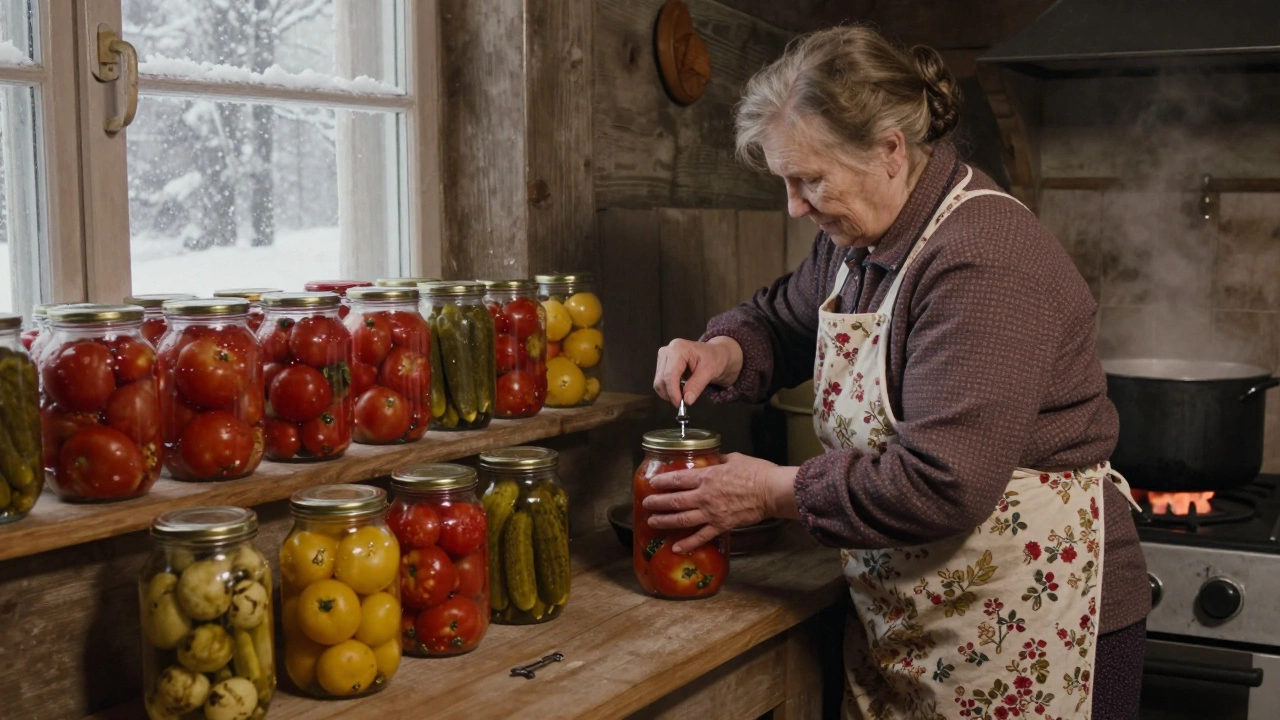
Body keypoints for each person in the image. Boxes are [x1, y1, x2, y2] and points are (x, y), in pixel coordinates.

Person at [646, 26, 1150, 720]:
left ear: (890, 150)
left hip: (1040, 617)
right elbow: (782, 320)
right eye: (786, 181)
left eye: (810, 179)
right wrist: (722, 351)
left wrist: (768, 492)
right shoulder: (858, 241)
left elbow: (944, 481)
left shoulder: (983, 259)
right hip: (923, 618)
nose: (795, 206)